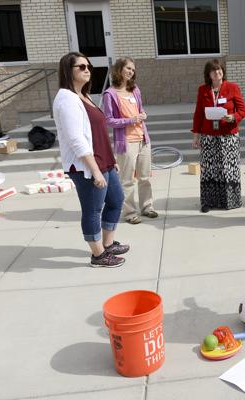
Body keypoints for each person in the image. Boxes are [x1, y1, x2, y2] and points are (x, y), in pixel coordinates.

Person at [53, 52, 128, 268]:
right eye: (81, 67)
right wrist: (95, 170)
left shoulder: (83, 95)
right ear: (69, 71)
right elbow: (76, 139)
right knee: (92, 209)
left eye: (88, 66)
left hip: (103, 160)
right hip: (86, 165)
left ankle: (108, 243)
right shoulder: (66, 99)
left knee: (116, 200)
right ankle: (98, 255)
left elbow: (97, 133)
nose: (87, 70)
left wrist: (110, 159)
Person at [102, 57, 157, 225]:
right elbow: (109, 120)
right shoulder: (110, 94)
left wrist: (143, 115)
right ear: (119, 70)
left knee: (145, 177)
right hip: (126, 142)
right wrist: (131, 120)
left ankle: (147, 207)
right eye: (128, 68)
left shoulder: (135, 90)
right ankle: (130, 212)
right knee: (127, 180)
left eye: (133, 70)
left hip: (143, 139)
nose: (131, 72)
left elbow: (139, 111)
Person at [191, 59, 245, 212]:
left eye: (220, 69)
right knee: (209, 168)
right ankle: (208, 202)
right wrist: (195, 136)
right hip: (208, 136)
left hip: (228, 136)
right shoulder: (203, 90)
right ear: (208, 74)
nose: (217, 72)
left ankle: (230, 201)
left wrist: (233, 117)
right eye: (214, 70)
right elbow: (198, 115)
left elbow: (243, 110)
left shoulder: (232, 87)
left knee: (229, 169)